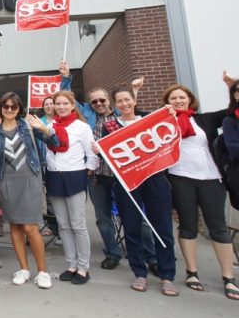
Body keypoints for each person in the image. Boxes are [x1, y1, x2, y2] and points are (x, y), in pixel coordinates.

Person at [59, 60, 142, 271]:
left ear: (110, 101)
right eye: (94, 102)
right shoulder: (86, 115)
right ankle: (113, 253)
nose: (98, 104)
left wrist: (134, 91)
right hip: (97, 176)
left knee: (136, 216)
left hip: (123, 175)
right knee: (103, 219)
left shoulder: (120, 117)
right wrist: (66, 77)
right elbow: (67, 99)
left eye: (102, 100)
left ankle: (148, 257)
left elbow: (134, 114)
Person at [94, 86, 178, 296]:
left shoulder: (149, 119)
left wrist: (171, 111)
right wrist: (100, 150)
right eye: (120, 101)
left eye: (127, 100)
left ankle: (167, 275)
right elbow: (110, 157)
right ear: (115, 105)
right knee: (131, 227)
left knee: (162, 226)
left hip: (155, 179)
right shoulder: (110, 126)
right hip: (126, 182)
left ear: (134, 100)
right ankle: (139, 272)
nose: (124, 104)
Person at [164, 76, 239, 301]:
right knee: (188, 225)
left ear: (190, 100)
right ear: (167, 102)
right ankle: (192, 272)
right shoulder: (164, 123)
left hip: (210, 177)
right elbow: (135, 115)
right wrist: (136, 92)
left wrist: (231, 89)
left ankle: (228, 277)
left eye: (181, 97)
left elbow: (230, 110)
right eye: (173, 98)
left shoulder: (204, 120)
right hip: (180, 177)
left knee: (218, 227)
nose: (178, 100)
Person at [0, 93, 57, 289]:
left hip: (29, 179)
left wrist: (44, 129)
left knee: (30, 227)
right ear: (0, 108)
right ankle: (24, 268)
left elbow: (55, 144)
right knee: (15, 227)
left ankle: (42, 272)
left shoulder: (27, 126)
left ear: (19, 109)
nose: (9, 109)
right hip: (8, 181)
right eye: (6, 106)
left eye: (14, 107)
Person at [45, 90, 100, 285]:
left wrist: (89, 170)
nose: (60, 107)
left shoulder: (81, 127)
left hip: (74, 176)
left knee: (78, 224)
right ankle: (71, 264)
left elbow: (91, 151)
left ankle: (83, 267)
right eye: (57, 104)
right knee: (63, 225)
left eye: (64, 104)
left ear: (72, 105)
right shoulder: (50, 126)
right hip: (54, 177)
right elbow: (47, 153)